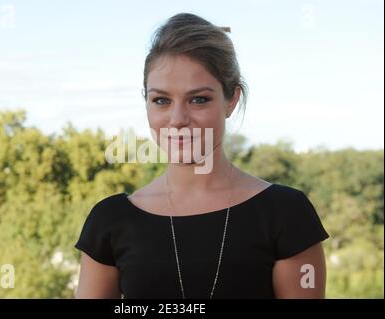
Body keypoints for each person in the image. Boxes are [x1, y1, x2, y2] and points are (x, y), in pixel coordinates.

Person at [75, 12, 329, 299]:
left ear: (231, 100)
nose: (177, 119)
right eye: (161, 100)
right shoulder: (110, 221)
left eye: (198, 99)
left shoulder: (286, 215)